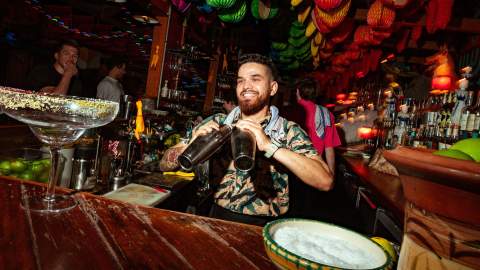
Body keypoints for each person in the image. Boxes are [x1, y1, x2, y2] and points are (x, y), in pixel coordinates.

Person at [159, 54, 333, 225]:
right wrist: (191, 144)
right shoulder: (217, 122)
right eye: (240, 80)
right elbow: (165, 164)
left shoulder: (288, 130)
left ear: (272, 88)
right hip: (214, 214)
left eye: (255, 79)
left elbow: (325, 181)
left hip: (262, 224)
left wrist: (270, 146)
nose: (246, 86)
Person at [296, 79, 341, 175]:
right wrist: (331, 174)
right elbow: (329, 148)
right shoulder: (325, 114)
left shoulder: (289, 111)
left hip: (293, 166)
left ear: (297, 92)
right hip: (315, 169)